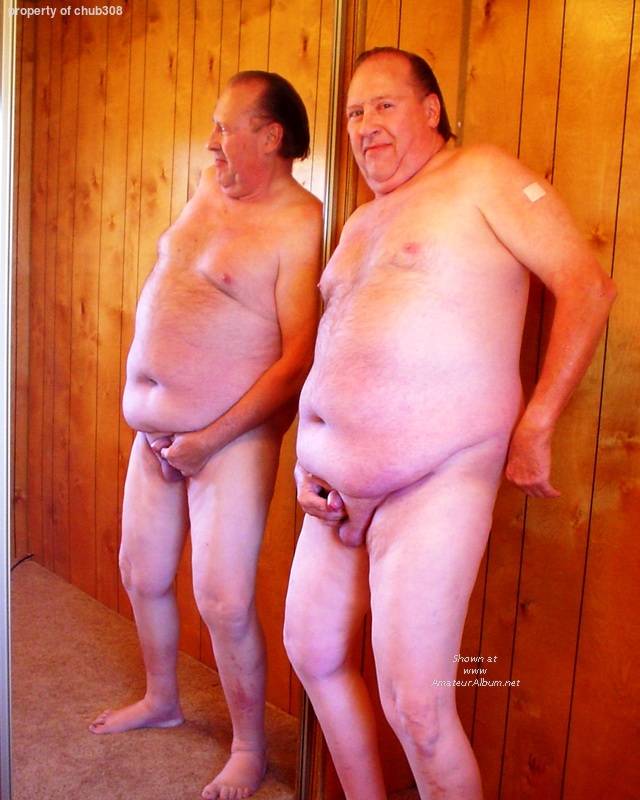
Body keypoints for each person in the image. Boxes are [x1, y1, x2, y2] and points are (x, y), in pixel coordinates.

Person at [283, 47, 616, 800]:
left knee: (418, 708)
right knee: (311, 650)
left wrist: (536, 425)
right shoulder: (360, 221)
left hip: (436, 478)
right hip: (328, 490)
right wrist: (309, 458)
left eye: (384, 105)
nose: (365, 125)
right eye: (354, 113)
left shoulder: (482, 175)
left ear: (431, 110)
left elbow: (587, 286)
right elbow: (339, 346)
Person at [89, 70, 323, 800]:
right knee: (141, 572)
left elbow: (297, 360)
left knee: (223, 600)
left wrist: (209, 437)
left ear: (271, 136)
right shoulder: (206, 188)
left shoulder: (301, 223)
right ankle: (162, 699)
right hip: (155, 435)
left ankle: (249, 749)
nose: (212, 142)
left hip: (231, 441)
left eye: (226, 127)